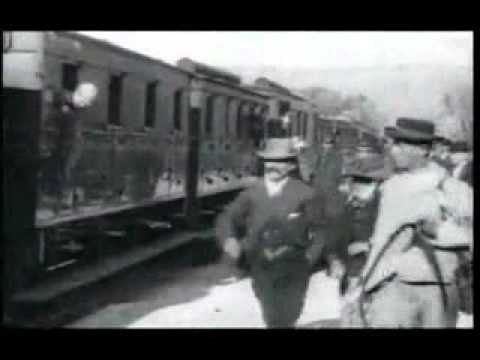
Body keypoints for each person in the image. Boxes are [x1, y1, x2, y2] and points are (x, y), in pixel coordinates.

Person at [344, 117, 473, 328]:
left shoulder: (452, 189)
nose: (393, 150)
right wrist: (363, 282)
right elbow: (383, 240)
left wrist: (440, 232)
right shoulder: (391, 187)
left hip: (438, 290)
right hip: (393, 287)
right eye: (394, 144)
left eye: (400, 145)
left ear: (423, 149)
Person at [215, 138, 321, 328]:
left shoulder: (305, 193)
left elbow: (320, 229)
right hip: (260, 261)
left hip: (293, 263)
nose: (273, 166)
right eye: (269, 161)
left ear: (290, 166)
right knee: (270, 311)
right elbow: (227, 217)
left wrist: (309, 257)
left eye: (280, 162)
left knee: (289, 311)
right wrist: (229, 239)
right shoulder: (251, 193)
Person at [47, 82, 98, 210]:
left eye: (89, 100)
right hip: (63, 141)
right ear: (79, 94)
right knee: (63, 168)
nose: (88, 103)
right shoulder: (64, 99)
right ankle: (63, 196)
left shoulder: (78, 108)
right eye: (87, 99)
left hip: (72, 143)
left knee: (67, 168)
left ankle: (65, 197)